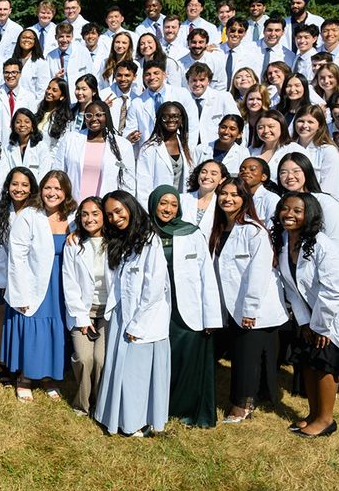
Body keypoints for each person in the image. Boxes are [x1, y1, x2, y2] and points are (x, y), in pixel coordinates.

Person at [273, 193, 339, 438]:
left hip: (335, 316)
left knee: (324, 365)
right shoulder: (284, 242)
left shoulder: (322, 244)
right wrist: (305, 321)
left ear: (309, 215)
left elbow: (337, 289)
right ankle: (312, 414)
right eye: (285, 209)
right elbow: (290, 285)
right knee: (308, 364)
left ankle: (325, 420)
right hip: (311, 317)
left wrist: (320, 325)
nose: (290, 214)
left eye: (297, 211)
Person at [93, 190, 171, 437]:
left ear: (131, 207)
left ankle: (135, 422)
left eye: (119, 211)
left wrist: (138, 324)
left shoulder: (149, 240)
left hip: (143, 319)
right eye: (110, 214)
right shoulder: (118, 240)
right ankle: (116, 418)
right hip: (121, 315)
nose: (115, 218)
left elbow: (154, 287)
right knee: (120, 371)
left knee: (137, 374)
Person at [209, 177, 286, 422]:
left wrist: (250, 310)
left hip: (254, 307)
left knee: (245, 358)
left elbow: (259, 275)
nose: (227, 199)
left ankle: (242, 406)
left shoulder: (254, 231)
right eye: (223, 194)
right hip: (229, 305)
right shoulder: (219, 228)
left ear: (245, 199)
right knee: (240, 355)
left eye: (234, 194)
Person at [149, 186, 222, 428]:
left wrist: (211, 317)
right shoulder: (145, 232)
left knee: (188, 362)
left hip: (189, 310)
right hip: (158, 310)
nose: (168, 208)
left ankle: (187, 411)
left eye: (173, 204)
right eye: (163, 203)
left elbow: (206, 276)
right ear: (153, 204)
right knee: (161, 361)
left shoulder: (191, 233)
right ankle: (160, 407)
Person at [2, 171, 75, 402]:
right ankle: (25, 378)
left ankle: (48, 377)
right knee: (33, 325)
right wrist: (21, 292)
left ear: (66, 193)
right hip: (34, 282)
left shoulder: (72, 218)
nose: (52, 193)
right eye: (48, 188)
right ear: (41, 190)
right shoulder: (30, 216)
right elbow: (17, 256)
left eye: (58, 189)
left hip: (61, 283)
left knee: (56, 327)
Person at [0, 167, 41, 384]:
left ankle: (22, 364)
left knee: (26, 318)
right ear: (8, 186)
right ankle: (2, 361)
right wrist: (2, 279)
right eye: (15, 184)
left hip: (31, 274)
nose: (19, 189)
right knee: (3, 313)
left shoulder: (38, 211)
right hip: (6, 273)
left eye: (24, 185)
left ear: (31, 189)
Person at [62, 196, 110, 416]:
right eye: (85, 214)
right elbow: (69, 283)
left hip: (108, 312)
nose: (90, 219)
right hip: (82, 310)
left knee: (101, 359)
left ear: (104, 216)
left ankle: (101, 404)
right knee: (84, 358)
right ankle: (82, 404)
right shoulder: (73, 244)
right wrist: (82, 318)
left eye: (95, 213)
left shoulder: (116, 241)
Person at [52, 100, 135, 201]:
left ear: (107, 116)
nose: (94, 119)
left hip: (105, 207)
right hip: (72, 205)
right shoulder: (70, 139)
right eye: (89, 115)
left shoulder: (122, 145)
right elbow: (57, 172)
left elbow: (127, 180)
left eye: (99, 115)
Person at [275, 152, 339, 243]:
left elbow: (338, 241)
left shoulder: (326, 203)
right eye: (283, 172)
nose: (290, 176)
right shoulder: (280, 204)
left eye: (296, 171)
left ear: (307, 172)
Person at [135, 101, 199, 203]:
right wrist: (148, 211)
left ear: (182, 119)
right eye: (165, 117)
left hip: (182, 204)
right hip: (158, 206)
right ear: (159, 120)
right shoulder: (149, 148)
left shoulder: (187, 146)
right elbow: (143, 185)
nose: (171, 120)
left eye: (175, 116)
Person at [289, 105, 339, 190]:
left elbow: (328, 187)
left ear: (319, 126)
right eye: (301, 121)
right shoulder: (287, 147)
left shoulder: (328, 151)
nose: (305, 125)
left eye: (310, 122)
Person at [178, 159, 228, 238]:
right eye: (203, 172)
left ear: (222, 179)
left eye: (213, 174)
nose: (207, 176)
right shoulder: (181, 199)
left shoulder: (222, 205)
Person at [5, 108, 52, 183]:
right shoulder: (7, 148)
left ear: (32, 126)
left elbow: (44, 172)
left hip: (35, 190)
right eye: (18, 122)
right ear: (13, 126)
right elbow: (4, 173)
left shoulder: (41, 147)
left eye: (27, 122)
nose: (22, 125)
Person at [249, 110, 297, 178]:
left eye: (271, 126)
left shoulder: (295, 149)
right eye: (261, 127)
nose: (266, 131)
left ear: (282, 127)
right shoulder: (250, 151)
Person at [239, 156, 282, 224]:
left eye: (252, 169)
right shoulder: (236, 197)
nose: (246, 171)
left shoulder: (271, 198)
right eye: (242, 170)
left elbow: (272, 228)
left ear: (263, 177)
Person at [33, 77, 73, 148]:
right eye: (48, 88)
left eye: (54, 90)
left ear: (62, 96)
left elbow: (60, 146)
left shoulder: (65, 119)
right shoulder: (36, 109)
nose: (49, 92)